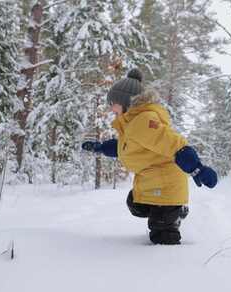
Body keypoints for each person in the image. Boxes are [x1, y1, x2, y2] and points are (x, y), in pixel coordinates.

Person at [82, 68, 217, 245]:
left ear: (126, 102)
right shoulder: (132, 125)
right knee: (136, 204)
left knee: (161, 232)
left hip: (166, 185)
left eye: (112, 102)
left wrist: (197, 169)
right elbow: (123, 147)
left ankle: (171, 258)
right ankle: (176, 211)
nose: (110, 107)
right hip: (153, 181)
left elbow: (174, 145)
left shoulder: (143, 122)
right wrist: (100, 147)